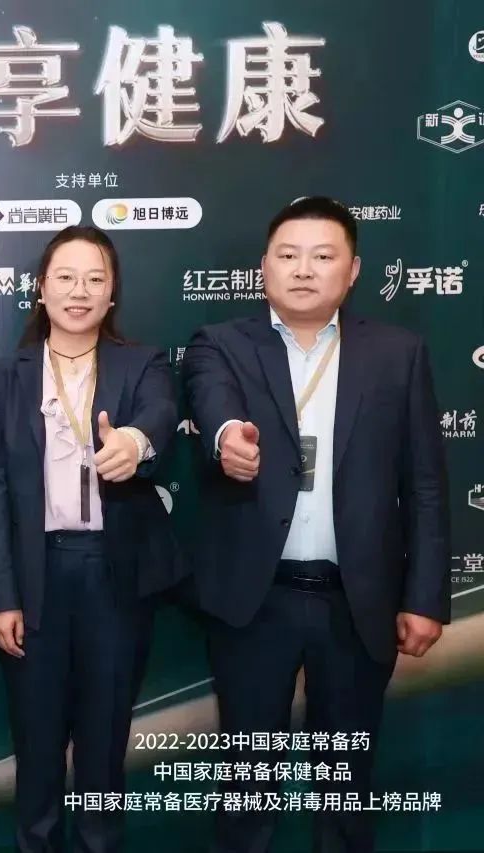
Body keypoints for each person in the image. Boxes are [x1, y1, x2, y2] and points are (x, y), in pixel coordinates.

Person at [183, 197, 450, 853]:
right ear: (264, 267)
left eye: (323, 256)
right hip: (256, 600)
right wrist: (227, 438)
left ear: (352, 270)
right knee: (249, 784)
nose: (304, 269)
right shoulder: (221, 343)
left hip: (357, 602)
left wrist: (424, 597)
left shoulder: (397, 353)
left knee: (346, 786)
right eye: (289, 255)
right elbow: (213, 403)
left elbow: (424, 484)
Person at [0, 225, 181, 852]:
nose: (79, 291)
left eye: (95, 278)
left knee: (104, 745)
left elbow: (160, 415)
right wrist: (2, 597)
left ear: (112, 292)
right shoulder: (4, 378)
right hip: (35, 575)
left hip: (113, 574)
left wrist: (135, 443)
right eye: (65, 277)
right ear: (41, 289)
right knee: (36, 746)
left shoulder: (141, 364)